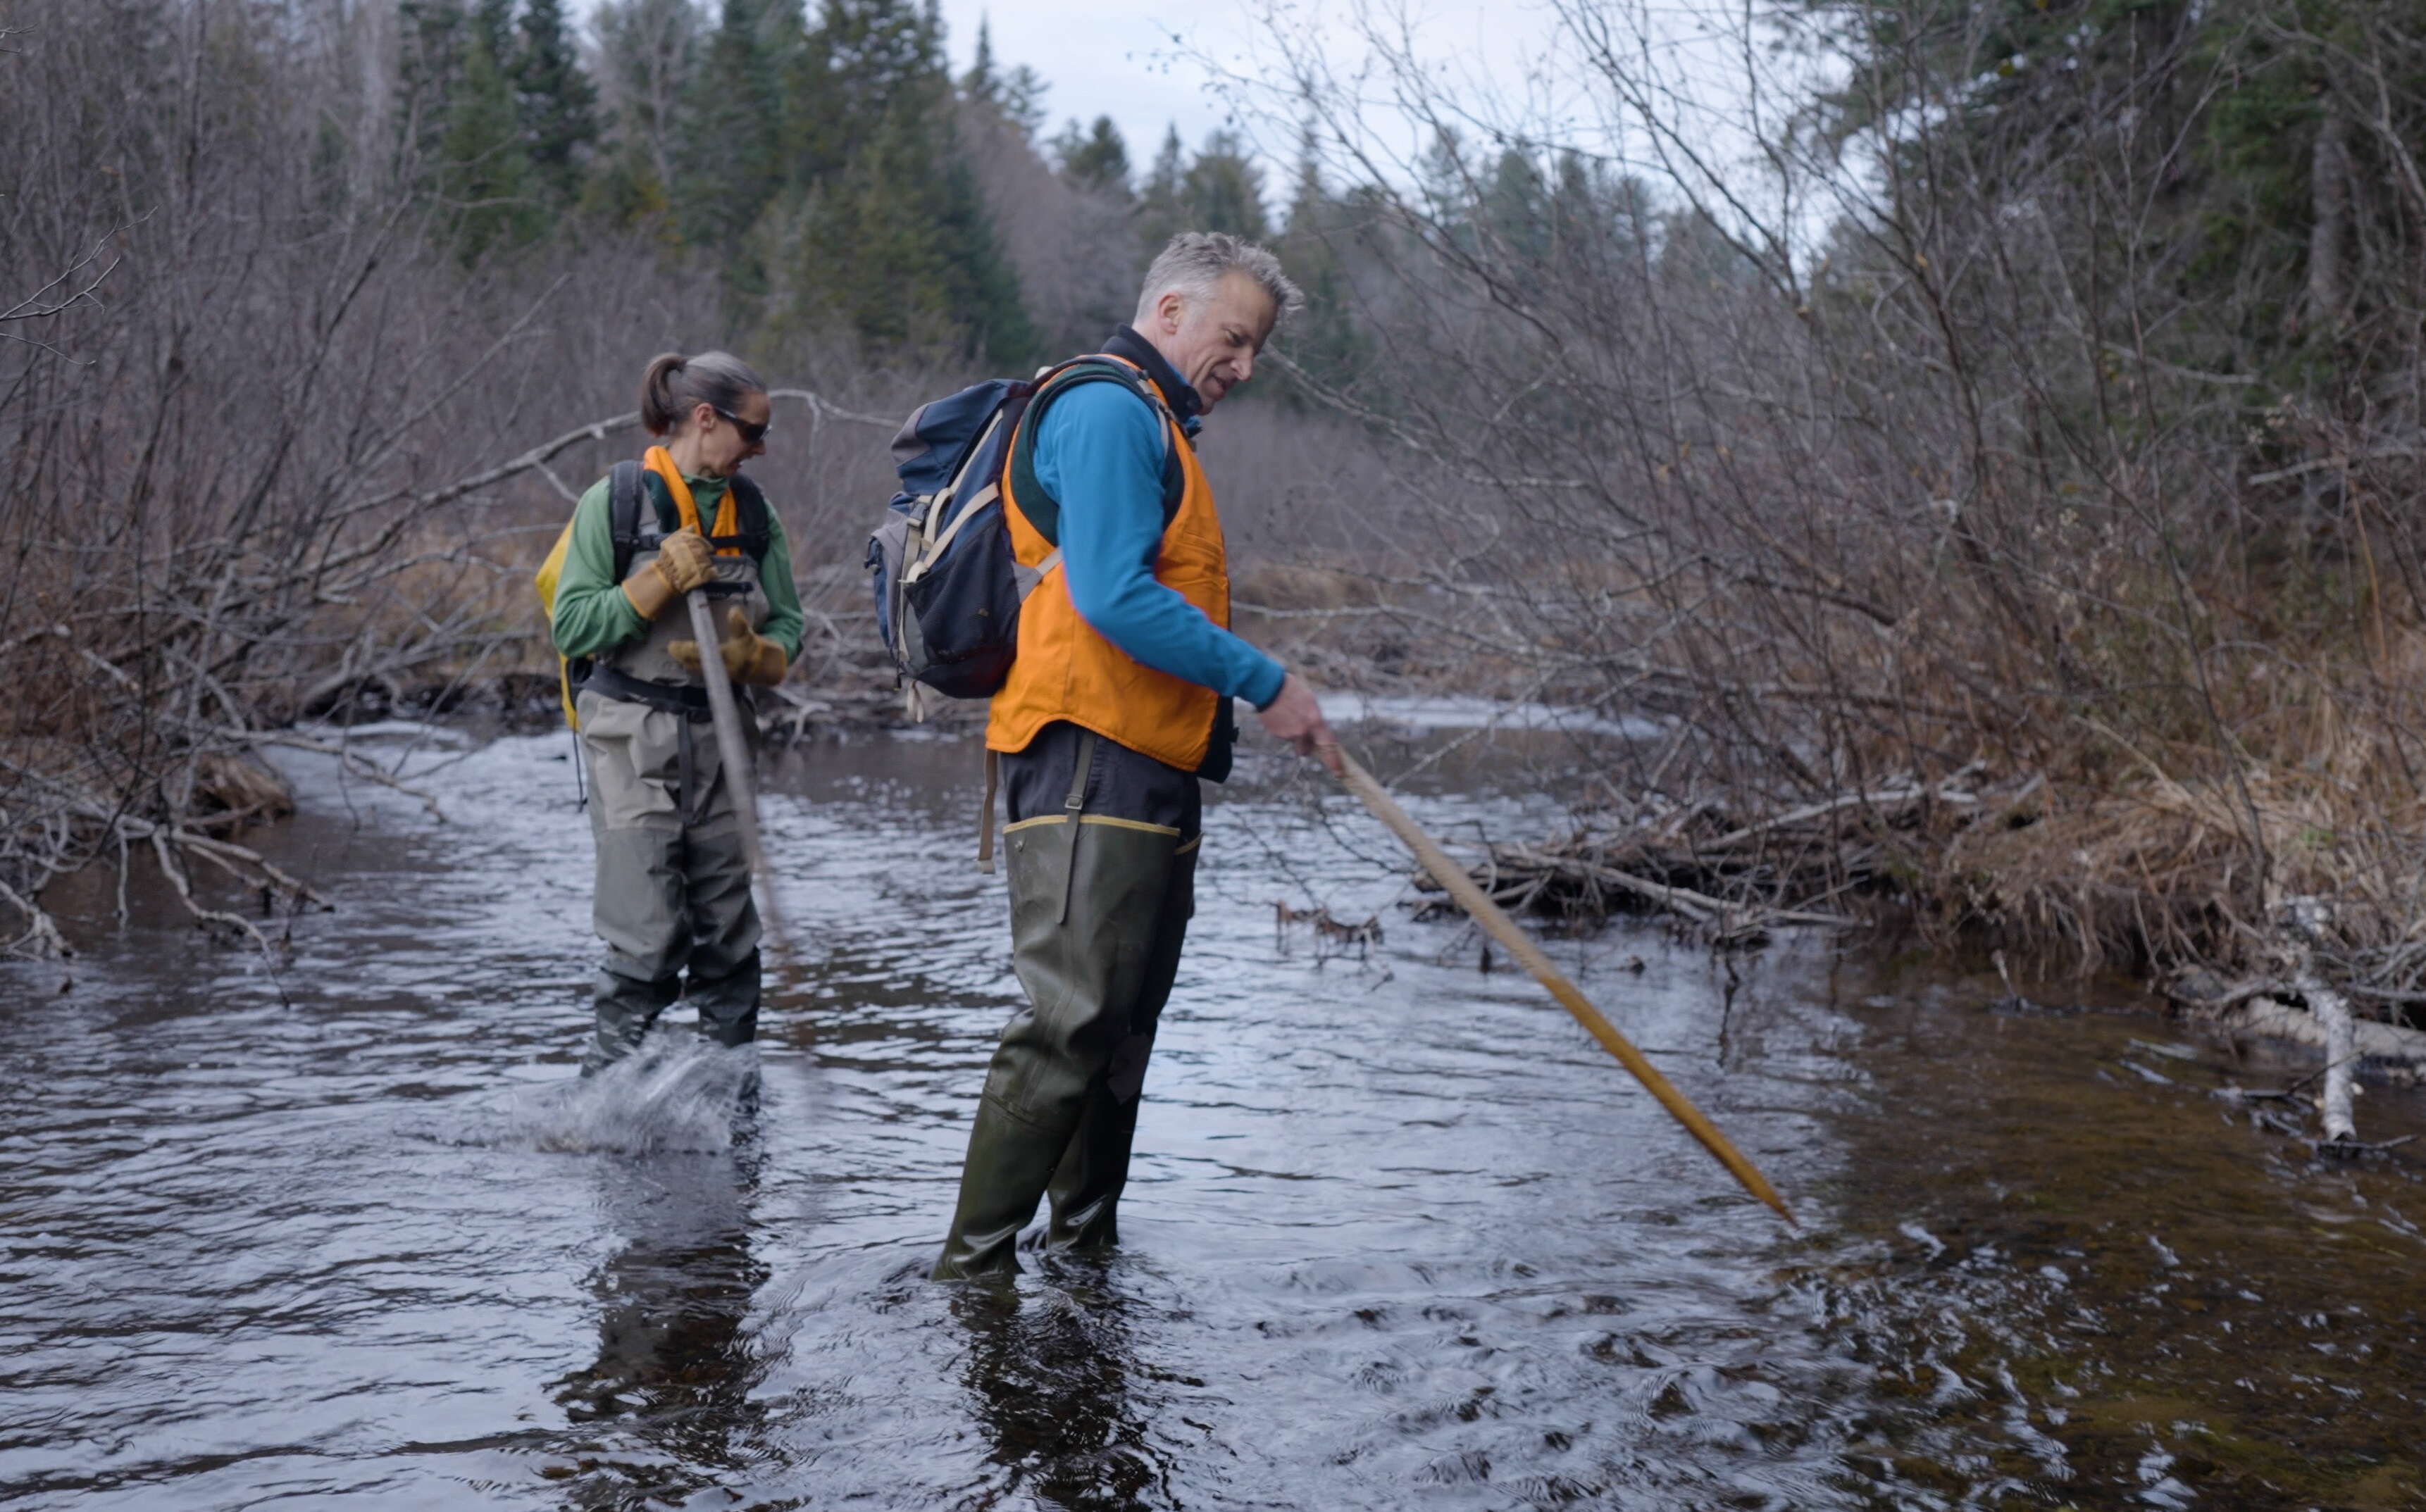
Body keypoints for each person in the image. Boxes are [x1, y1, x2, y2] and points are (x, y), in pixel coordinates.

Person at [933, 233, 1338, 1280]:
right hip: (1085, 757)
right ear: (1168, 312)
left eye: (1256, 350)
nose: (1244, 366)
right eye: (1234, 338)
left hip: (1145, 766)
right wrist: (1266, 681)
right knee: (1075, 1022)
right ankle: (970, 1282)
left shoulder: (1160, 424)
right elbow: (1111, 594)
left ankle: (1083, 1262)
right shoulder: (1109, 408)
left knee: (1119, 1032)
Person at [547, 351, 804, 1072]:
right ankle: (607, 1109)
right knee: (648, 936)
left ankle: (732, 1105)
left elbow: (789, 627)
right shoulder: (617, 502)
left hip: (724, 743)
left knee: (729, 939)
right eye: (752, 430)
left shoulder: (754, 513)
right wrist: (657, 579)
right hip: (630, 737)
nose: (759, 447)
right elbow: (572, 627)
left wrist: (756, 657)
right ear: (703, 418)